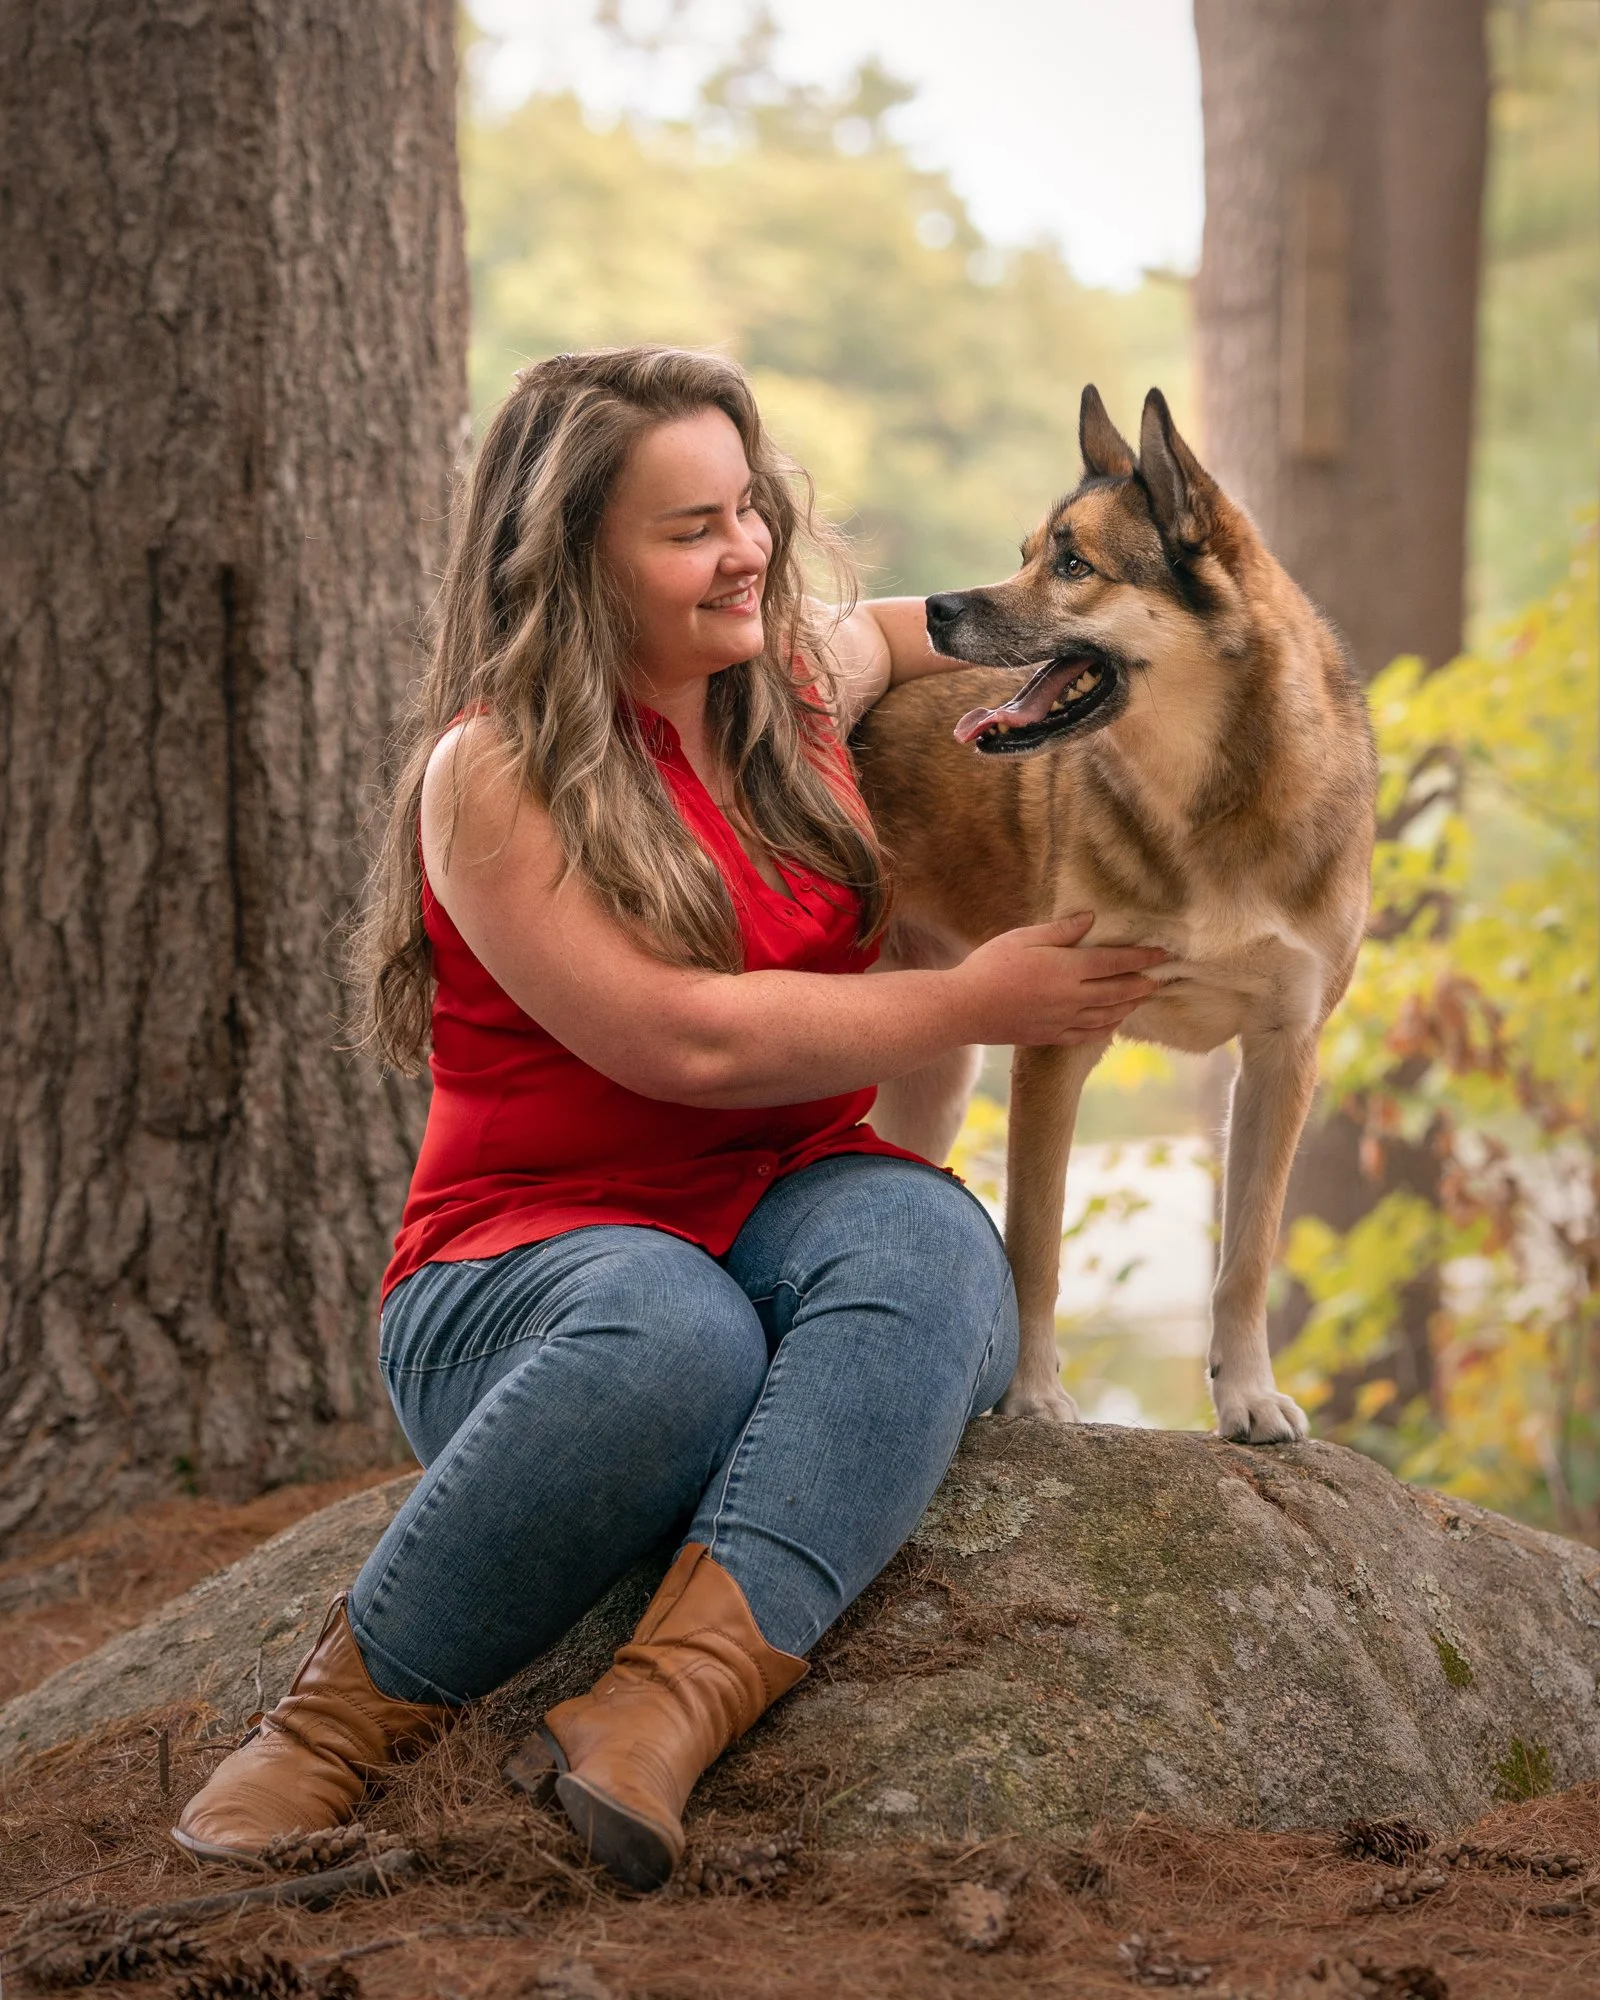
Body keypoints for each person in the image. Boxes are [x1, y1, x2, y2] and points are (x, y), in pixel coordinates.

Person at [172, 347, 1164, 1889]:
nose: (747, 550)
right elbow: (680, 1043)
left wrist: (1165, 626)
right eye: (690, 528)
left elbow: (946, 629)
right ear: (572, 560)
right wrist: (978, 1001)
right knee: (679, 1336)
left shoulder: (796, 681)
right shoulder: (492, 775)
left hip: (791, 1209)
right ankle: (325, 1732)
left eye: (750, 509)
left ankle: (657, 1714)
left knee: (933, 1245)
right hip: (527, 1272)